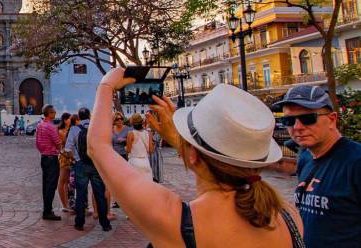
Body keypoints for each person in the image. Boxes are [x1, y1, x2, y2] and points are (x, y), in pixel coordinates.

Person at [88, 69, 304, 248]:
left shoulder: (177, 221)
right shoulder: (289, 215)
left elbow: (98, 147)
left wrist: (106, 86)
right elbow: (222, 169)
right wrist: (183, 142)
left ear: (194, 155)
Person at [273, 85, 361, 248]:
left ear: (332, 120)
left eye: (308, 118)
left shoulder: (355, 161)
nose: (297, 127)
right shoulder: (305, 157)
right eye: (289, 121)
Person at [65, 107, 112, 232]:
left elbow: (67, 148)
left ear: (79, 117)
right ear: (90, 116)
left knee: (80, 194)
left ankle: (79, 223)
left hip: (80, 164)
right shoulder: (96, 128)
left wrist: (74, 159)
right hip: (95, 164)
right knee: (100, 194)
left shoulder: (74, 129)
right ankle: (105, 223)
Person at [35, 104, 61, 221]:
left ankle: (47, 209)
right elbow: (58, 142)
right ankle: (48, 211)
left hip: (44, 156)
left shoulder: (40, 125)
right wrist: (61, 150)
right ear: (49, 113)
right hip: (51, 157)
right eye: (54, 112)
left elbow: (37, 142)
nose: (55, 113)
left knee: (46, 184)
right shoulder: (51, 127)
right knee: (51, 185)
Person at [126, 113, 154, 181]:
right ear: (142, 122)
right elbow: (151, 150)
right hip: (145, 161)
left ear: (132, 123)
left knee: (134, 185)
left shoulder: (131, 134)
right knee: (147, 185)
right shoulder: (149, 133)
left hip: (134, 161)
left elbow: (128, 150)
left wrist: (125, 147)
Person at [57, 113, 73, 213]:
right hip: (64, 157)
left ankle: (68, 203)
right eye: (70, 119)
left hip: (70, 157)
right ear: (65, 120)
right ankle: (64, 204)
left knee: (68, 181)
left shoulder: (70, 130)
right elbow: (67, 143)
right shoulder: (61, 131)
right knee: (62, 180)